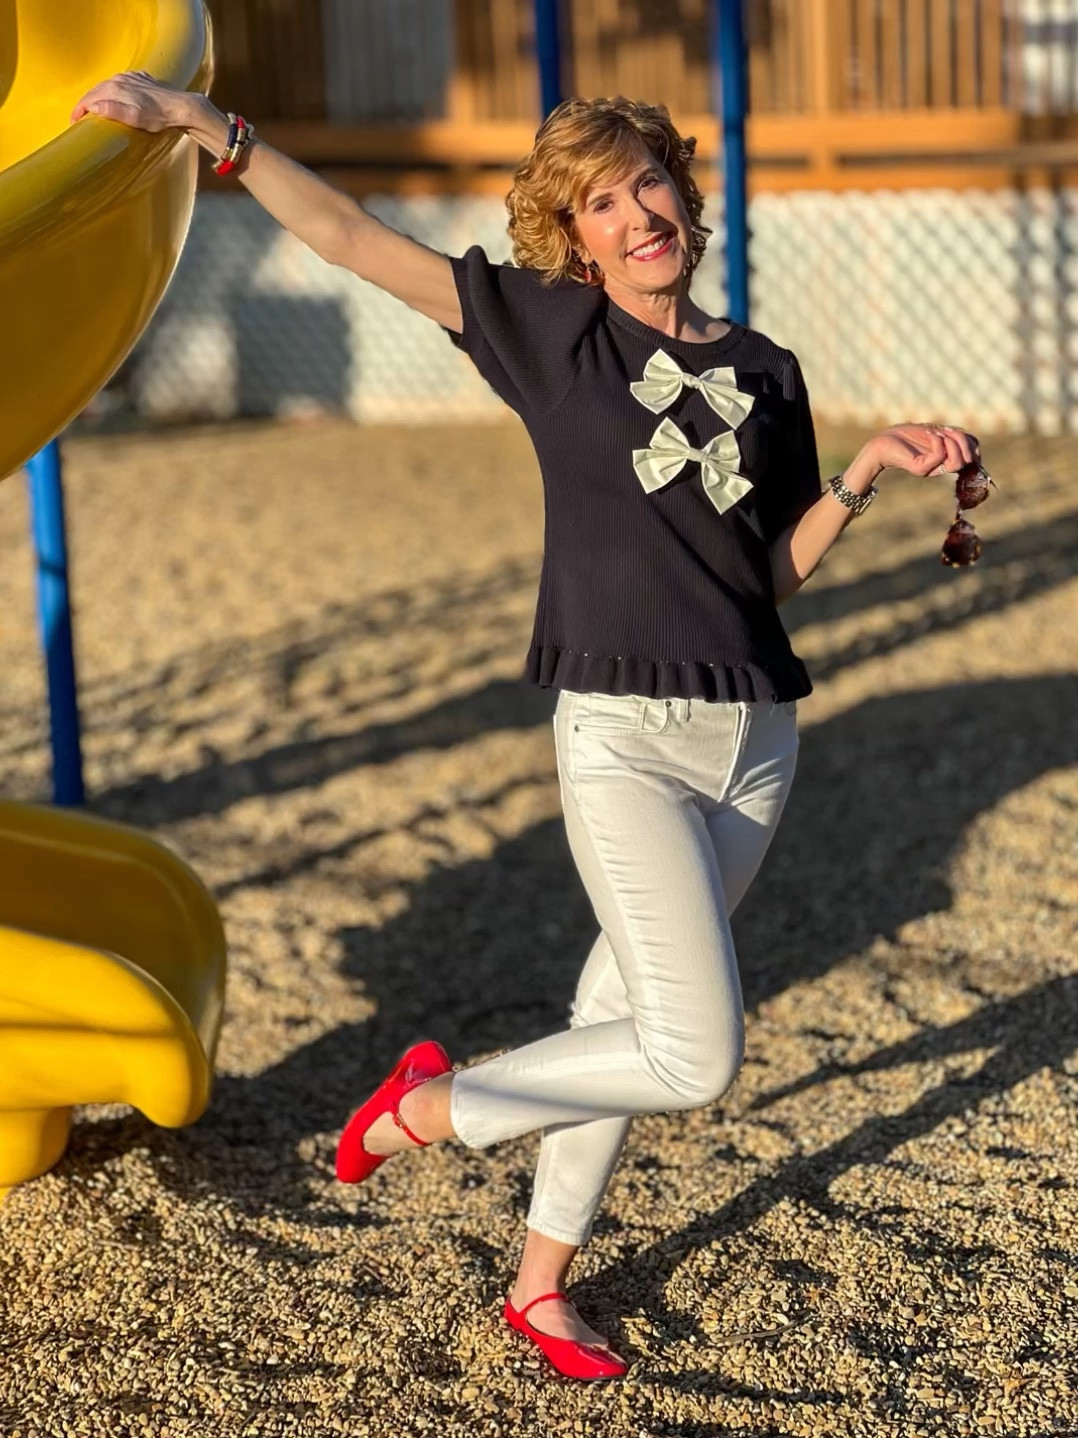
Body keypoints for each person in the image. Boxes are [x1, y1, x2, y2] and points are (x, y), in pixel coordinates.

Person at [71, 74, 981, 1381]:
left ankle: (537, 1285)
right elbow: (348, 240)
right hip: (621, 736)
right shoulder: (550, 334)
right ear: (576, 235)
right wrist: (211, 126)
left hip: (754, 741)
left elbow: (763, 572)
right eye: (599, 202)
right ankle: (428, 1106)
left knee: (616, 1011)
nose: (633, 213)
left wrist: (860, 477)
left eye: (646, 181)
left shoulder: (762, 371)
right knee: (690, 1048)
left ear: (683, 187)